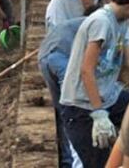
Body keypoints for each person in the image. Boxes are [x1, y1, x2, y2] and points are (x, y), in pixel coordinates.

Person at [60, 0, 129, 167]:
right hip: (81, 105)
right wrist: (98, 113)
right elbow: (86, 70)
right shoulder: (101, 22)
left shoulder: (122, 21)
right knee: (99, 163)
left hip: (109, 96)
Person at [38, 16, 89, 168]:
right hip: (59, 59)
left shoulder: (77, 24)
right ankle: (75, 163)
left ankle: (67, 162)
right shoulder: (101, 25)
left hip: (44, 56)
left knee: (64, 111)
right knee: (75, 110)